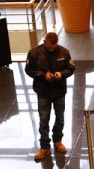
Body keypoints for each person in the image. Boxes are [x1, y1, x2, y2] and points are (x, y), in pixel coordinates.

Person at [25, 31, 75, 160]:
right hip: (43, 92)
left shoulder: (64, 52)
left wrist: (61, 74)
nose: (51, 49)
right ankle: (44, 147)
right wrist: (42, 75)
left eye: (53, 47)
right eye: (49, 47)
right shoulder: (34, 53)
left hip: (59, 91)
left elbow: (71, 68)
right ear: (45, 41)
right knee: (44, 120)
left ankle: (57, 141)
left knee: (60, 119)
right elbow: (29, 70)